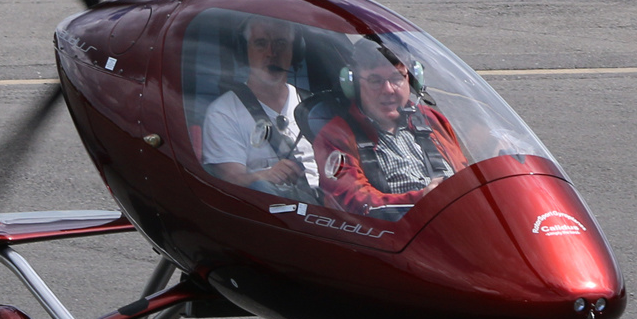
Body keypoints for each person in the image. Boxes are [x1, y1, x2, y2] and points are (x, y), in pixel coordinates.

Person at [312, 38, 466, 218]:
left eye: (396, 78)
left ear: (413, 80)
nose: (388, 90)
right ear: (353, 84)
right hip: (397, 234)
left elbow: (464, 175)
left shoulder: (432, 120)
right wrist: (423, 199)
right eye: (375, 80)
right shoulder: (336, 136)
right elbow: (353, 204)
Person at [199, 16, 318, 197]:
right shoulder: (224, 112)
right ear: (244, 52)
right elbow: (230, 182)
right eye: (261, 44)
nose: (271, 53)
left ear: (295, 51)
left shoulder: (314, 107)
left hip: (329, 208)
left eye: (280, 43)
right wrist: (264, 176)